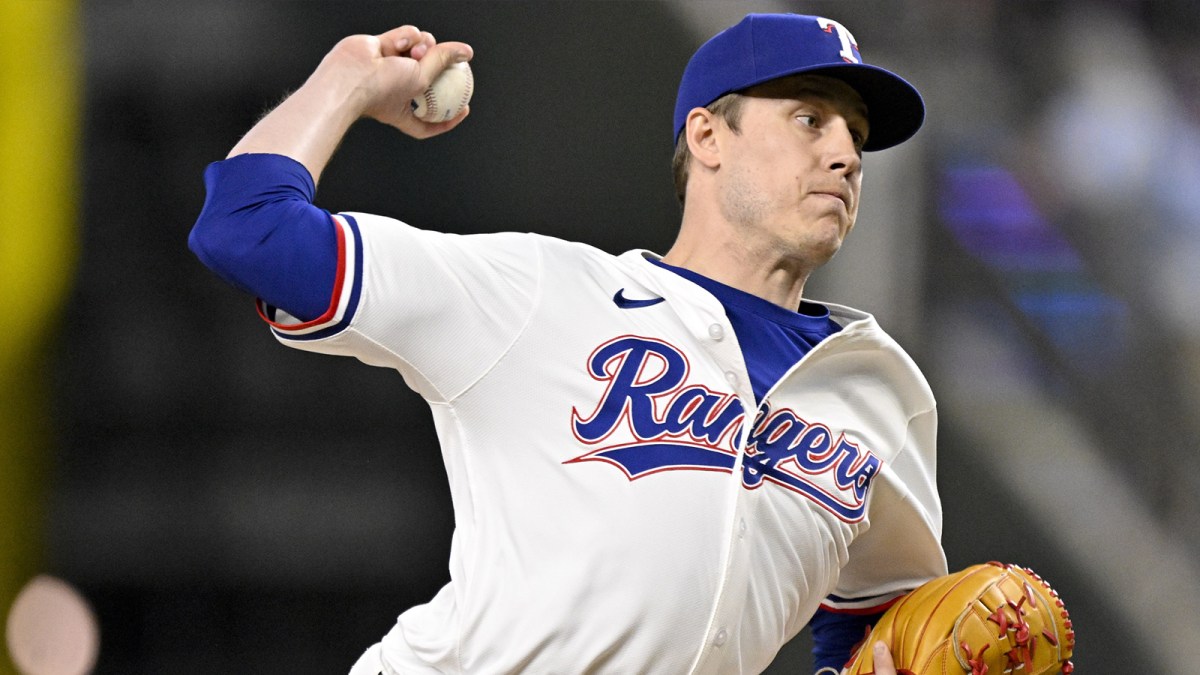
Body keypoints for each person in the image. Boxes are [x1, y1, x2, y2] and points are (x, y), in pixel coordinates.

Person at [189, 13, 945, 675]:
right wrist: (347, 81)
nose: (846, 155)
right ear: (709, 136)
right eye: (812, 120)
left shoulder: (882, 391)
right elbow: (246, 227)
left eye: (857, 135)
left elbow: (877, 619)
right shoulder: (538, 291)